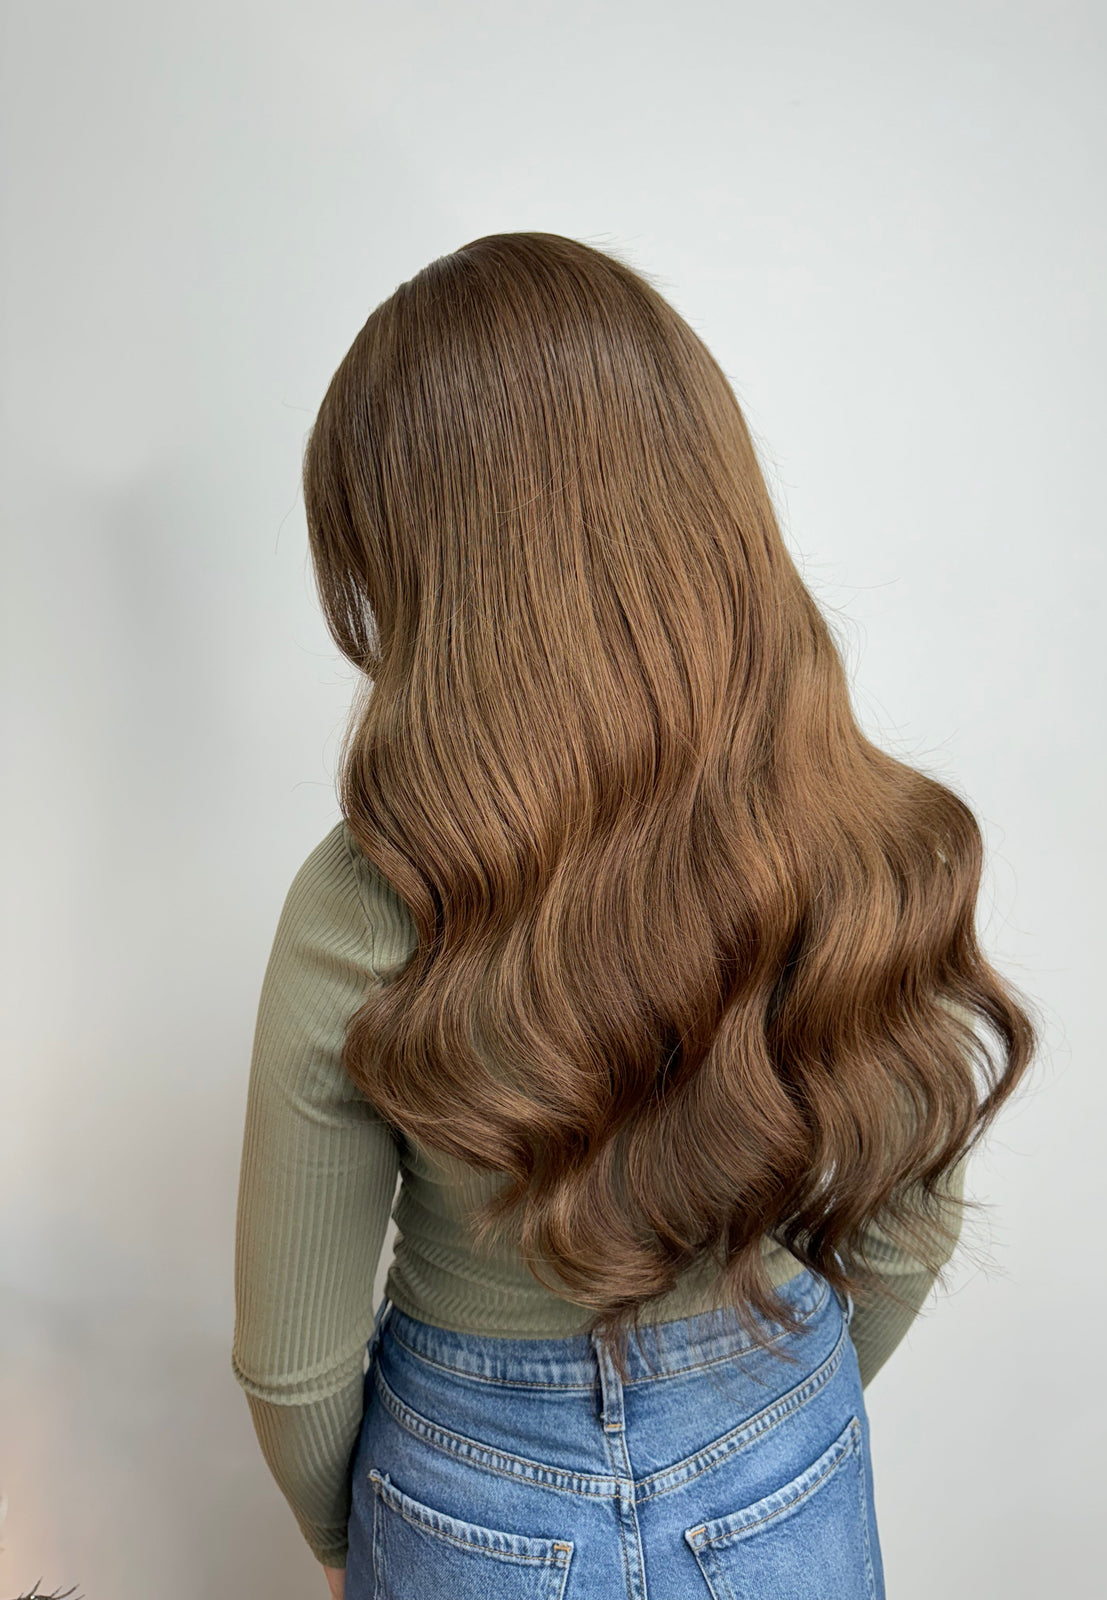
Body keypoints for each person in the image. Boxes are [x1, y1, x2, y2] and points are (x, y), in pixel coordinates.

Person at [230, 232, 1039, 1599]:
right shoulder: (847, 825)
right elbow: (905, 1234)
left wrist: (358, 1542)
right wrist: (772, 1404)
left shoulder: (367, 892)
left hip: (462, 1491)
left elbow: (296, 1366)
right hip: (778, 1436)